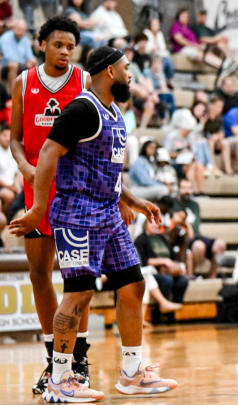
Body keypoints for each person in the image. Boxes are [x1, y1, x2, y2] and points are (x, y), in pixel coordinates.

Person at [10, 46, 177, 402]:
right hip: (76, 213)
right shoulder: (82, 109)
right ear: (110, 72)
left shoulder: (115, 111)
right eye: (127, 68)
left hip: (109, 213)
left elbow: (109, 170)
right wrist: (39, 208)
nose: (132, 74)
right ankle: (59, 378)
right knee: (79, 293)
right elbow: (48, 155)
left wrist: (132, 201)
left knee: (133, 285)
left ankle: (132, 373)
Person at [8, 16, 93, 395]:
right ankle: (52, 359)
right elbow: (14, 139)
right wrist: (25, 167)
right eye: (58, 44)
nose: (64, 52)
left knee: (78, 279)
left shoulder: (84, 82)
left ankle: (79, 360)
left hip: (74, 190)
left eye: (70, 47)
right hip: (36, 188)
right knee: (39, 272)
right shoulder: (23, 83)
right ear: (42, 44)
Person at [174, 179, 227, 279]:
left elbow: (196, 226)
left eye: (189, 188)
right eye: (184, 188)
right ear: (178, 189)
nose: (187, 191)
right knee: (199, 246)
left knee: (220, 244)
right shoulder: (174, 204)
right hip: (183, 238)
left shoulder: (195, 205)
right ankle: (191, 275)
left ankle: (212, 278)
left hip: (197, 235)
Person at [134, 217, 189, 304]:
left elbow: (173, 257)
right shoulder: (141, 239)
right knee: (167, 280)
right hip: (154, 272)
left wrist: (179, 267)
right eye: (152, 222)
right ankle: (161, 312)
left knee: (183, 281)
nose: (155, 224)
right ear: (146, 224)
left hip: (169, 270)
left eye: (156, 222)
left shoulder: (162, 238)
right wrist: (163, 261)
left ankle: (176, 308)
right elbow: (144, 261)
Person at [0, 19, 38, 87]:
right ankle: (13, 94)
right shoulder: (5, 38)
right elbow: (8, 57)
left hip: (21, 64)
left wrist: (31, 61)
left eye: (23, 30)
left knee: (34, 62)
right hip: (5, 65)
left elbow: (30, 55)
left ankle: (33, 90)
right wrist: (25, 62)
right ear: (14, 28)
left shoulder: (25, 39)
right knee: (14, 65)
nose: (20, 32)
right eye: (19, 30)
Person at [143, 17, 174, 82]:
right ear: (150, 25)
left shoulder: (160, 34)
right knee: (162, 61)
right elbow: (148, 47)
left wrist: (158, 48)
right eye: (154, 24)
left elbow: (163, 47)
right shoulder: (146, 33)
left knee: (168, 61)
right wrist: (156, 48)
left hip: (161, 54)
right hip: (150, 54)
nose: (156, 26)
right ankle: (161, 80)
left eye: (157, 24)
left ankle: (169, 80)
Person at [0, 123, 20, 217]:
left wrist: (17, 186)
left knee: (22, 192)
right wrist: (10, 187)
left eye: (9, 135)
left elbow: (15, 173)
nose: (7, 138)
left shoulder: (12, 151)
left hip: (12, 184)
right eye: (4, 135)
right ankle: (6, 217)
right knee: (9, 196)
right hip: (3, 186)